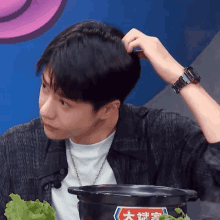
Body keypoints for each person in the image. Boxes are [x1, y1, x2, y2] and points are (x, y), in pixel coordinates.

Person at [0, 20, 220, 220]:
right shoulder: (15, 149)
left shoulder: (164, 137)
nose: (45, 110)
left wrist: (181, 77)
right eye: (45, 87)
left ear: (108, 109)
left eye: (64, 103)